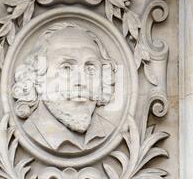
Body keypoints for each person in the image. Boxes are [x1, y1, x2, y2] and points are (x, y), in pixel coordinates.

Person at [12, 22, 117, 153]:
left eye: (90, 68)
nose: (82, 81)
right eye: (66, 68)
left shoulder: (110, 130)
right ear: (37, 77)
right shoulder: (33, 133)